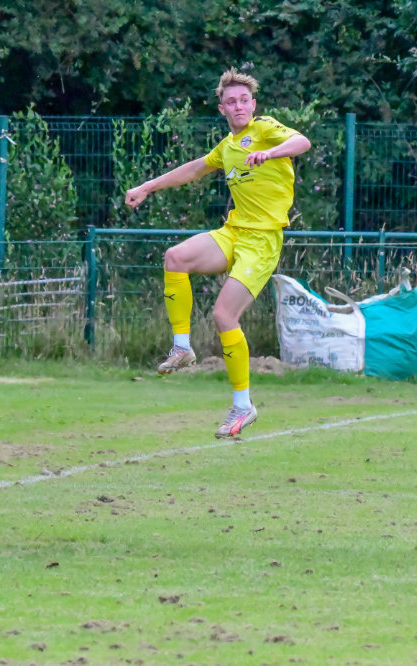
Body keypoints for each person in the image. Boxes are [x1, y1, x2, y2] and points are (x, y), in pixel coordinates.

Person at [124, 67, 311, 438]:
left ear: (253, 104)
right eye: (231, 102)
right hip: (234, 232)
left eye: (244, 100)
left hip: (262, 241)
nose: (238, 106)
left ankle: (243, 405)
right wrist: (147, 187)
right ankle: (182, 348)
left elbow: (302, 142)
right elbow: (193, 169)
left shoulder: (265, 128)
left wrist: (271, 153)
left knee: (224, 315)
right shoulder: (227, 147)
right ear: (222, 109)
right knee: (175, 258)